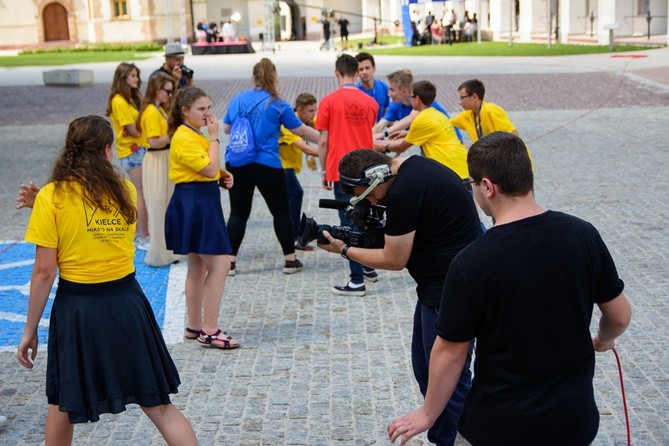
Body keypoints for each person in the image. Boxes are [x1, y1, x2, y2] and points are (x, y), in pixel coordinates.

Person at [387, 132, 632, 446]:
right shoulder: (583, 234)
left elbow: (450, 352)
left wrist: (427, 413)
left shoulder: (471, 261)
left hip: (499, 426)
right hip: (574, 420)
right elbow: (620, 316)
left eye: (472, 184)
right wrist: (602, 339)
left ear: (487, 187)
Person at [17, 115, 198, 445]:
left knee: (62, 402)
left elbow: (45, 271)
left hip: (79, 309)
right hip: (127, 304)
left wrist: (29, 330)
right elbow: (92, 217)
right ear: (107, 151)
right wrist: (44, 202)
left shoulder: (52, 198)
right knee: (159, 403)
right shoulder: (126, 190)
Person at [318, 149, 482, 445]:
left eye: (369, 195)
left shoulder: (404, 193)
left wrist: (343, 250)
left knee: (447, 380)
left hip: (449, 290)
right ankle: (462, 433)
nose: (372, 202)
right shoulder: (412, 169)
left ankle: (454, 439)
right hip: (440, 285)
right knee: (426, 370)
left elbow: (394, 259)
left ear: (378, 175)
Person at [223, 58, 319, 275]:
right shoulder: (277, 103)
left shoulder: (238, 99)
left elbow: (227, 128)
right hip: (267, 164)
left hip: (237, 162)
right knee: (281, 211)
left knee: (238, 213)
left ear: (254, 77)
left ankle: (230, 262)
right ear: (274, 77)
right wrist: (325, 141)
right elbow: (301, 130)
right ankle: (290, 260)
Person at [165, 86, 239, 350]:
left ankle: (195, 324)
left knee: (196, 265)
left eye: (209, 107)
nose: (208, 114)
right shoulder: (185, 136)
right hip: (196, 203)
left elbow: (205, 169)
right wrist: (215, 138)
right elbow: (207, 169)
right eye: (201, 109)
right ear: (185, 111)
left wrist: (221, 176)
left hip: (198, 200)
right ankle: (209, 328)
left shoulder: (190, 134)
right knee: (220, 264)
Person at [315, 54, 379, 295]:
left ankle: (356, 280)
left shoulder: (329, 101)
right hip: (366, 169)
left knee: (349, 224)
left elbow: (323, 142)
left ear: (337, 73)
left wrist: (323, 170)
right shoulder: (370, 102)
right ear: (355, 72)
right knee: (367, 218)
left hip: (341, 170)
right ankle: (368, 266)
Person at [374, 81, 469, 181]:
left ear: (417, 99)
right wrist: (407, 133)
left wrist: (378, 145)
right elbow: (433, 132)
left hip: (451, 170)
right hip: (461, 165)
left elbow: (400, 146)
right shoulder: (437, 114)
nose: (410, 100)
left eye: (411, 97)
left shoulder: (421, 119)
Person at [136, 72, 182, 267]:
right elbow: (153, 142)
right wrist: (174, 134)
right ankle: (159, 252)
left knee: (166, 206)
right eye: (168, 91)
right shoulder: (152, 112)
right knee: (158, 206)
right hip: (157, 158)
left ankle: (167, 250)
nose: (170, 95)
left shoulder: (159, 109)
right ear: (157, 90)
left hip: (163, 158)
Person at [106, 62, 149, 251]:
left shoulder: (131, 98)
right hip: (131, 151)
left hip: (139, 148)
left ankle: (138, 232)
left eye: (137, 76)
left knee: (141, 193)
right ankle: (143, 236)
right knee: (140, 193)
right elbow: (132, 129)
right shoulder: (119, 101)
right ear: (122, 78)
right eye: (133, 76)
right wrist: (150, 121)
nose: (137, 79)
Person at [372, 69, 461, 143]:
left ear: (404, 91)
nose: (389, 94)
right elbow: (380, 125)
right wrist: (368, 137)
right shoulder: (396, 104)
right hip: (430, 141)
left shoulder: (422, 101)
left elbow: (410, 119)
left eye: (392, 90)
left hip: (451, 141)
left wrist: (384, 134)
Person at [279, 92, 319, 251]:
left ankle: (292, 233)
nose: (314, 114)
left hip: (289, 166)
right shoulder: (289, 125)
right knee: (296, 194)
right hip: (281, 166)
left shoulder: (308, 119)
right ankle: (294, 236)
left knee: (291, 197)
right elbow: (306, 149)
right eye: (311, 111)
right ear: (300, 110)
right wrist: (330, 153)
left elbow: (323, 125)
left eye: (315, 110)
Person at [450, 78, 519, 144]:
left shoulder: (491, 110)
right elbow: (447, 122)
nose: (459, 102)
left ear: (474, 97)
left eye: (462, 97)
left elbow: (514, 136)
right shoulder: (467, 116)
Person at [355, 52, 389, 123]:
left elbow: (386, 113)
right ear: (357, 73)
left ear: (374, 69)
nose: (364, 72)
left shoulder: (384, 87)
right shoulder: (355, 92)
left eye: (367, 68)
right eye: (361, 69)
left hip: (379, 129)